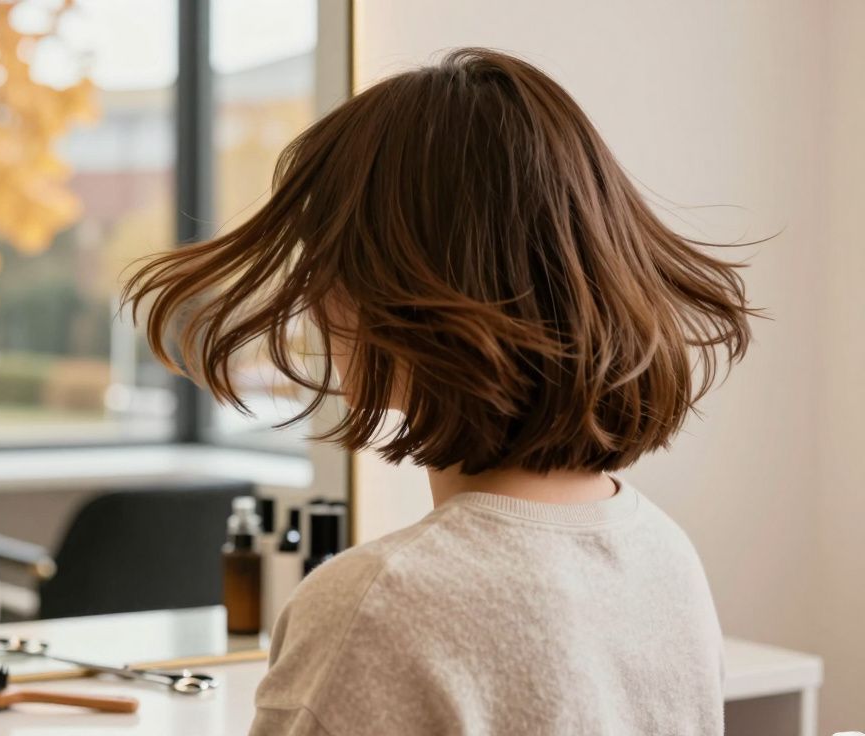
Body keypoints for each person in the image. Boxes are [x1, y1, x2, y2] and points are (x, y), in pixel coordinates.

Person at [124, 48, 755, 734]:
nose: (314, 292)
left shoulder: (376, 604)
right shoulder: (665, 557)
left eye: (333, 255)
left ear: (406, 282)